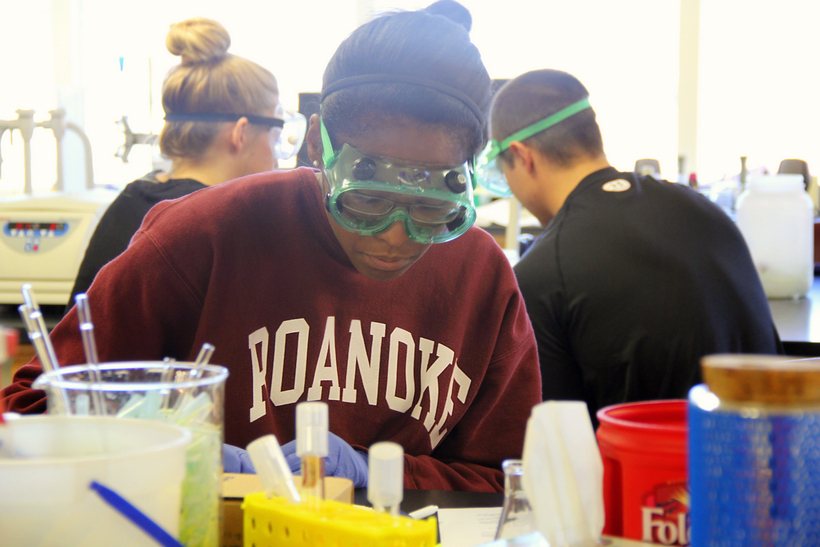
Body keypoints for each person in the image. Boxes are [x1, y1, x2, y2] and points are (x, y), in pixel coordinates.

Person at [3, 1, 541, 492]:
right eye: (367, 202)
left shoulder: (481, 276)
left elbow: (510, 479)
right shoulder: (203, 236)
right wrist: (169, 454)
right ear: (315, 145)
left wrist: (378, 473)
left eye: (431, 210)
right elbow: (25, 415)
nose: (396, 237)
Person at [476, 68, 782, 427]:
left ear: (522, 157)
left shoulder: (542, 273)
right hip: (774, 465)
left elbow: (561, 449)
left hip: (658, 479)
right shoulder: (705, 212)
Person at [65, 16, 305, 312]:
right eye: (275, 133)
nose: (276, 152)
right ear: (240, 133)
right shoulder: (220, 220)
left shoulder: (132, 199)